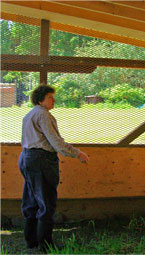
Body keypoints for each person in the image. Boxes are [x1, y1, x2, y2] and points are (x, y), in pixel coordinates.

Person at [18, 85, 89, 252]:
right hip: (41, 161)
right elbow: (56, 142)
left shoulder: (29, 115)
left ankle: (31, 241)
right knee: (46, 202)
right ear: (41, 99)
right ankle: (45, 245)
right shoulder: (43, 115)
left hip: (27, 158)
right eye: (50, 97)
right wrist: (77, 153)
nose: (54, 100)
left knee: (31, 201)